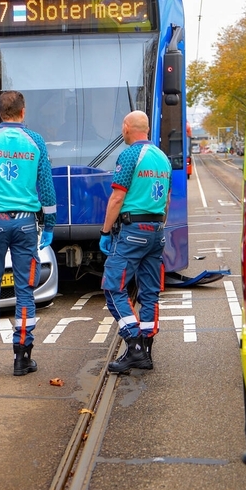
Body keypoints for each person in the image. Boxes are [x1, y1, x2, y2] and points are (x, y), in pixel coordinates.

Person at [0, 90, 57, 376]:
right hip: (26, 223)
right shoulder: (35, 141)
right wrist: (50, 224)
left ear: (0, 112)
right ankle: (22, 356)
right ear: (23, 111)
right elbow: (46, 186)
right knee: (25, 290)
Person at [100, 110, 172, 374]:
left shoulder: (130, 155)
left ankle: (134, 345)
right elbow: (166, 201)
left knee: (112, 287)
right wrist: (157, 228)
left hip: (132, 231)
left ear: (128, 127)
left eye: (123, 126)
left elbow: (117, 198)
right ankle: (147, 351)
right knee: (150, 292)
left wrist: (106, 232)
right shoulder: (163, 158)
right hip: (156, 230)